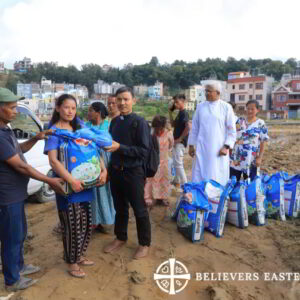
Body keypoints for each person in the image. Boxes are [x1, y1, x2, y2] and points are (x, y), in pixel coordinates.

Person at [0, 88, 65, 291]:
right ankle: (12, 280)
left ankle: (18, 266)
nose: (16, 112)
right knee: (11, 236)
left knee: (19, 233)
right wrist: (50, 180)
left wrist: (36, 138)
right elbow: (21, 165)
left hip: (16, 194)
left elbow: (19, 151)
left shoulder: (6, 129)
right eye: (11, 108)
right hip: (7, 196)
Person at [44, 94, 107, 278]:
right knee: (71, 225)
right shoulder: (53, 131)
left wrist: (103, 170)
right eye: (66, 107)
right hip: (67, 187)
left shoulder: (79, 125)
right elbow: (54, 162)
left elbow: (94, 149)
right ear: (57, 108)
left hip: (86, 185)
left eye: (73, 108)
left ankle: (79, 255)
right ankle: (71, 262)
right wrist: (71, 180)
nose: (70, 111)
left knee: (86, 223)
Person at [104, 87, 151, 259]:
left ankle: (144, 243)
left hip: (133, 172)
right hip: (116, 171)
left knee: (139, 209)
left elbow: (144, 151)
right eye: (119, 99)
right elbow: (110, 146)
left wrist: (120, 147)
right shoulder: (115, 122)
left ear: (133, 101)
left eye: (126, 99)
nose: (122, 103)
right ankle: (120, 237)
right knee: (120, 207)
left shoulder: (140, 123)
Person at [188, 81, 236, 186]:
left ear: (218, 92)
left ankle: (216, 200)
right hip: (201, 148)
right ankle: (200, 199)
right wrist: (191, 145)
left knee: (216, 176)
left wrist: (226, 146)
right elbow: (195, 128)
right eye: (206, 91)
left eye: (209, 91)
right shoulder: (200, 107)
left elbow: (231, 130)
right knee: (199, 175)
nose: (206, 93)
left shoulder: (226, 107)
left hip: (218, 150)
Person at [85, 102, 115, 233]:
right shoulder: (86, 126)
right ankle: (94, 221)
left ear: (98, 112)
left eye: (90, 110)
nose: (88, 113)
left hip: (107, 162)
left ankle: (107, 220)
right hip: (90, 162)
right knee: (93, 193)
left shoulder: (109, 126)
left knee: (106, 191)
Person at [230, 100, 269, 181]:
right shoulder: (239, 121)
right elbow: (232, 135)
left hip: (251, 159)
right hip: (236, 158)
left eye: (252, 109)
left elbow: (263, 141)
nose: (249, 111)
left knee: (249, 184)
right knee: (233, 182)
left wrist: (260, 158)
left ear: (257, 110)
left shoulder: (261, 123)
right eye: (248, 108)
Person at [144, 115, 174, 207]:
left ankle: (162, 198)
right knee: (150, 179)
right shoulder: (151, 134)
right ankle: (149, 198)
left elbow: (171, 145)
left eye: (161, 128)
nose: (159, 131)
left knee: (164, 180)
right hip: (153, 161)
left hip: (164, 161)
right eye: (157, 128)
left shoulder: (169, 133)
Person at [168, 94, 190, 188]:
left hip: (180, 143)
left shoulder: (184, 113)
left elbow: (188, 127)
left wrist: (180, 139)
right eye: (174, 102)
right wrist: (170, 112)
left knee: (178, 164)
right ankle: (177, 180)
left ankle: (186, 185)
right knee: (176, 162)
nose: (175, 104)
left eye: (177, 102)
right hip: (177, 142)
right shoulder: (180, 113)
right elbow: (173, 124)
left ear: (183, 101)